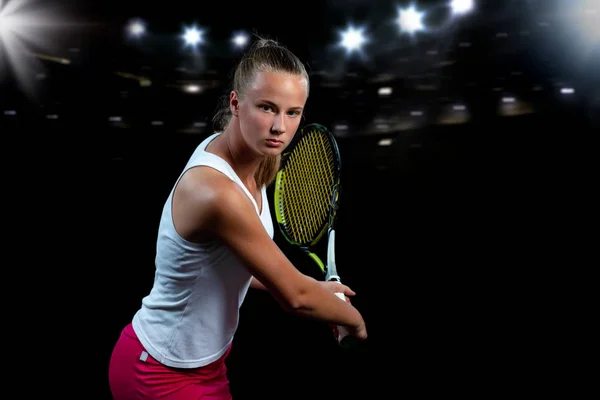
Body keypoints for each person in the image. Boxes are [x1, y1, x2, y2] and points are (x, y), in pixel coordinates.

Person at [108, 36, 367, 400]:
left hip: (208, 363)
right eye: (266, 107)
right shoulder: (216, 191)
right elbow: (294, 296)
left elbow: (235, 258)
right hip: (158, 372)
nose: (280, 127)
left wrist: (316, 290)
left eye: (293, 113)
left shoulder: (252, 155)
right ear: (235, 103)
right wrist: (353, 322)